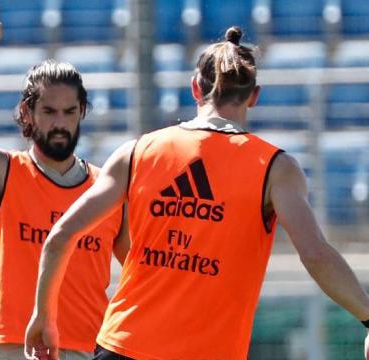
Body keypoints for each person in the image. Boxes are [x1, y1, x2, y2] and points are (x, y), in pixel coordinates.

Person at [25, 27, 369, 360]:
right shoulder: (274, 168)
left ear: (194, 89)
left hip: (122, 347)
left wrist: (44, 316)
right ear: (254, 95)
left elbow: (60, 236)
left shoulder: (137, 151)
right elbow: (316, 255)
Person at [0, 4, 130, 359]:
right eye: (49, 112)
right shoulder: (4, 174)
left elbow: (139, 270)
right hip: (12, 351)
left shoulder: (106, 190)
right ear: (27, 112)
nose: (60, 124)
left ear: (82, 112)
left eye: (69, 112)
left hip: (84, 351)